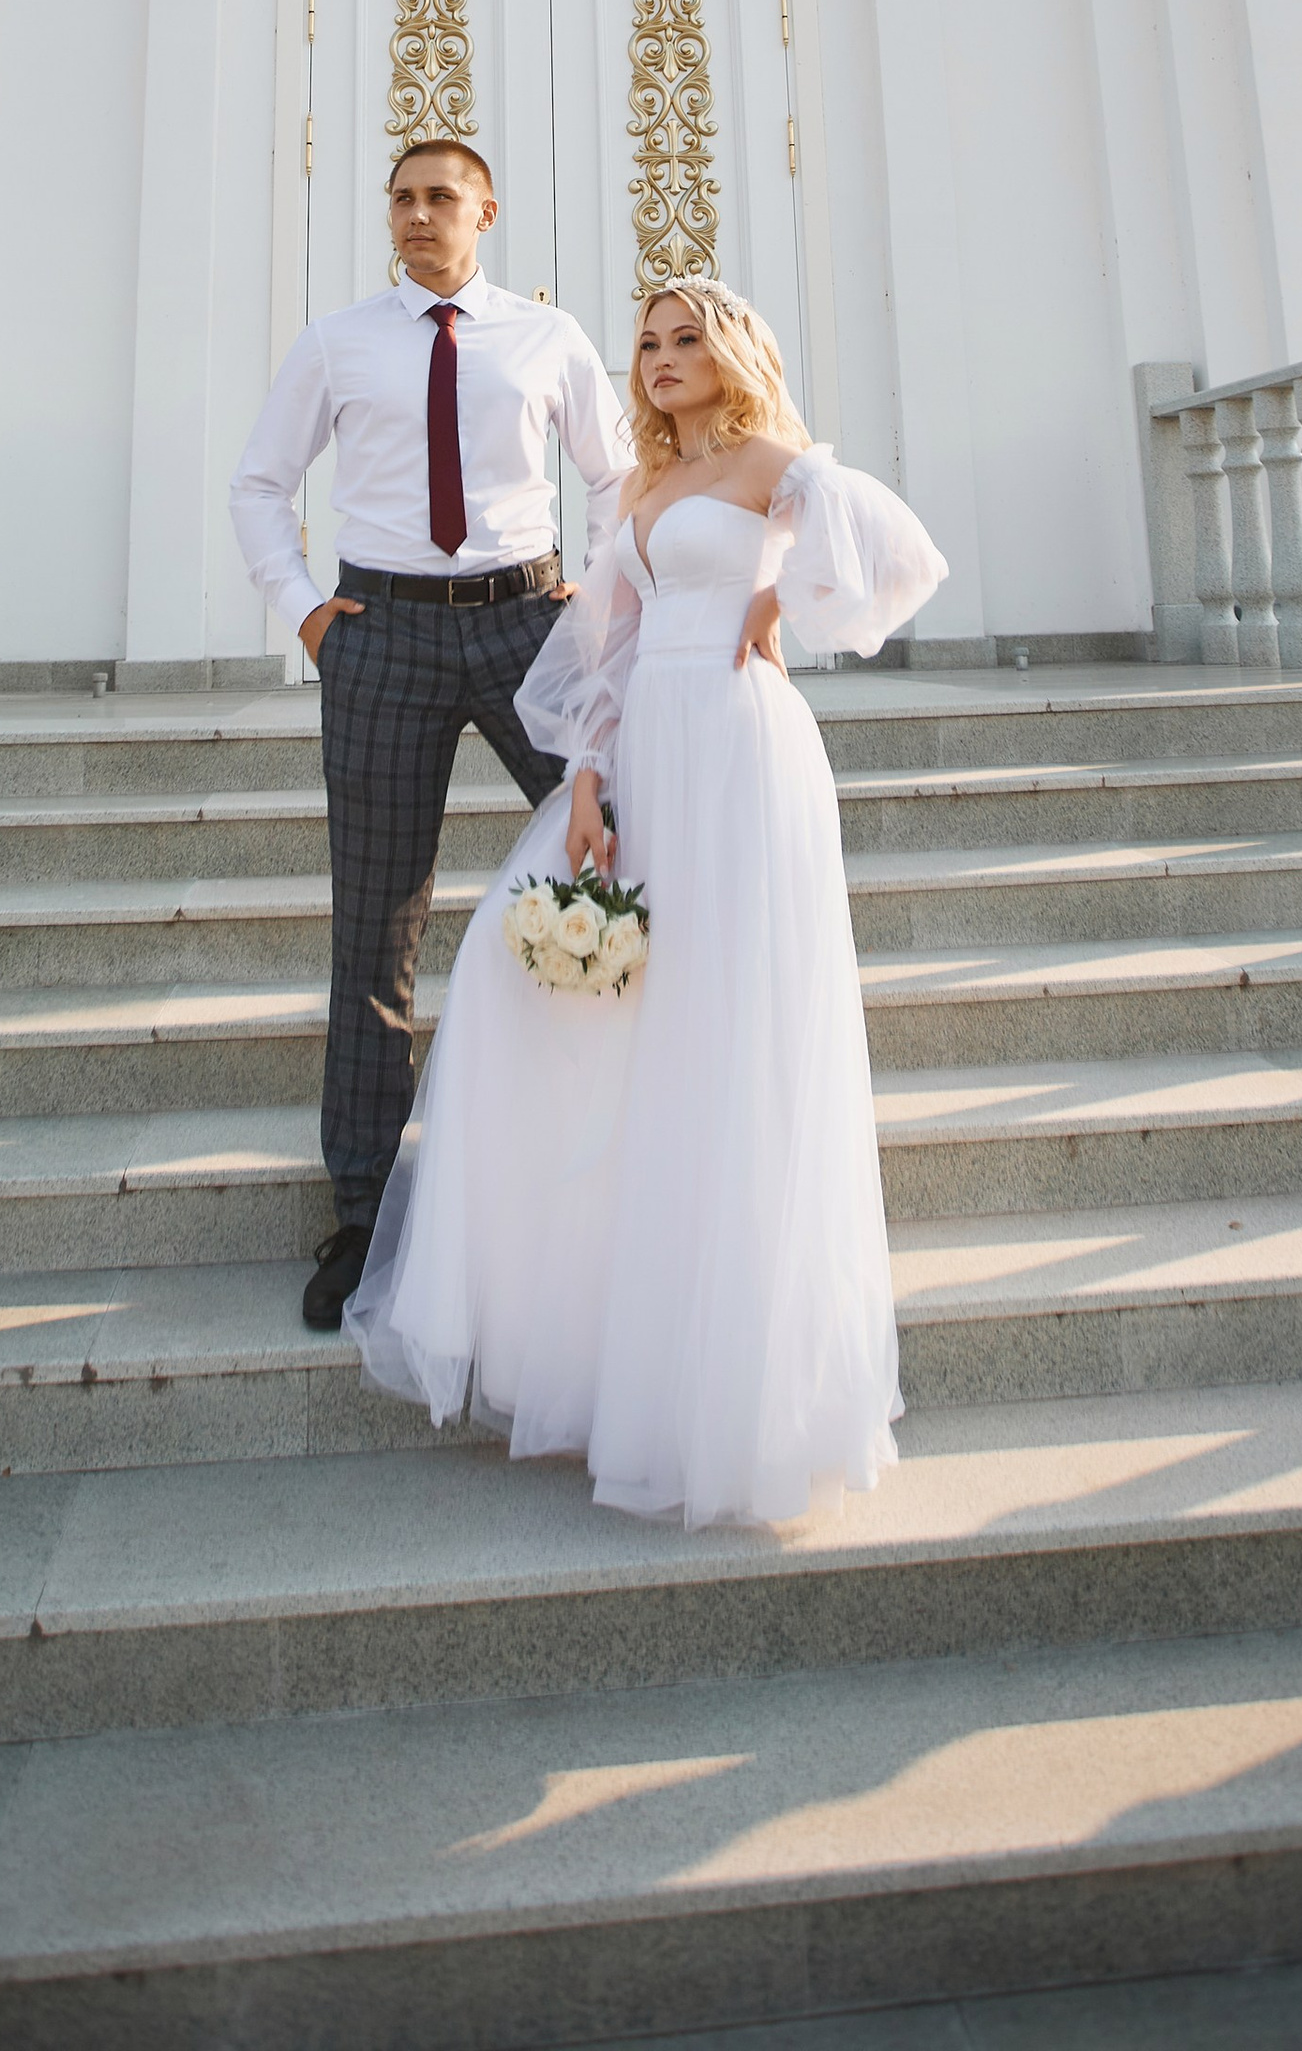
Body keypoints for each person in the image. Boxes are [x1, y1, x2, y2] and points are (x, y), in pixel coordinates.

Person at [346, 277, 947, 1529]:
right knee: (549, 994)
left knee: (729, 1023)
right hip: (645, 753)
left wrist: (780, 600)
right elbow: (604, 650)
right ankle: (607, 1327)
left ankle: (736, 1383)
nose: (662, 358)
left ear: (731, 354)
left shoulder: (770, 464)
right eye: (648, 344)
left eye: (686, 340)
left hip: (738, 745)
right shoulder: (640, 487)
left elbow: (896, 553)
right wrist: (585, 777)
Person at [229, 139, 631, 1330]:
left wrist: (596, 606)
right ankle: (360, 1210)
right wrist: (306, 614)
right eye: (401, 198)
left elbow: (615, 478)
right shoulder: (337, 342)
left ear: (484, 212)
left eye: (439, 197)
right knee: (376, 925)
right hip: (382, 635)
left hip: (526, 627)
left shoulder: (546, 338)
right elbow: (259, 484)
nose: (417, 215)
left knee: (618, 861)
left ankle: (618, 1152)